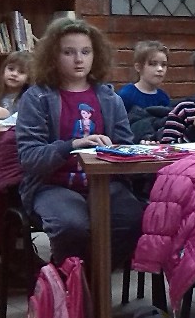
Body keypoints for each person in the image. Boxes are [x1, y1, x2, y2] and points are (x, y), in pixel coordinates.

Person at [15, 17, 144, 266]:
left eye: (86, 52)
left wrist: (122, 150)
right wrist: (71, 145)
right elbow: (30, 158)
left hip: (103, 184)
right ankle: (70, 277)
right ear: (53, 56)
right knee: (71, 225)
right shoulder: (37, 97)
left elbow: (125, 148)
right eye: (68, 52)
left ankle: (93, 275)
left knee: (133, 219)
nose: (78, 59)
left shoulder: (110, 98)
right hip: (52, 185)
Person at [117, 40, 170, 113]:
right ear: (138, 67)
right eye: (153, 64)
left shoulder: (163, 97)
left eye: (163, 65)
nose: (160, 69)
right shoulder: (126, 95)